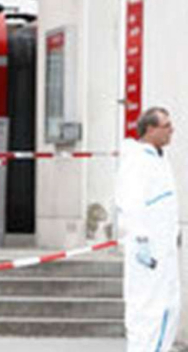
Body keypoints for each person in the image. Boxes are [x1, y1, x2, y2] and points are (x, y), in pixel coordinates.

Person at [115, 107, 181, 352]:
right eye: (166, 126)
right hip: (149, 254)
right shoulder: (137, 161)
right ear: (150, 129)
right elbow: (130, 203)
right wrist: (142, 240)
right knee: (151, 312)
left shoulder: (158, 158)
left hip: (163, 251)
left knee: (169, 308)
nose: (171, 130)